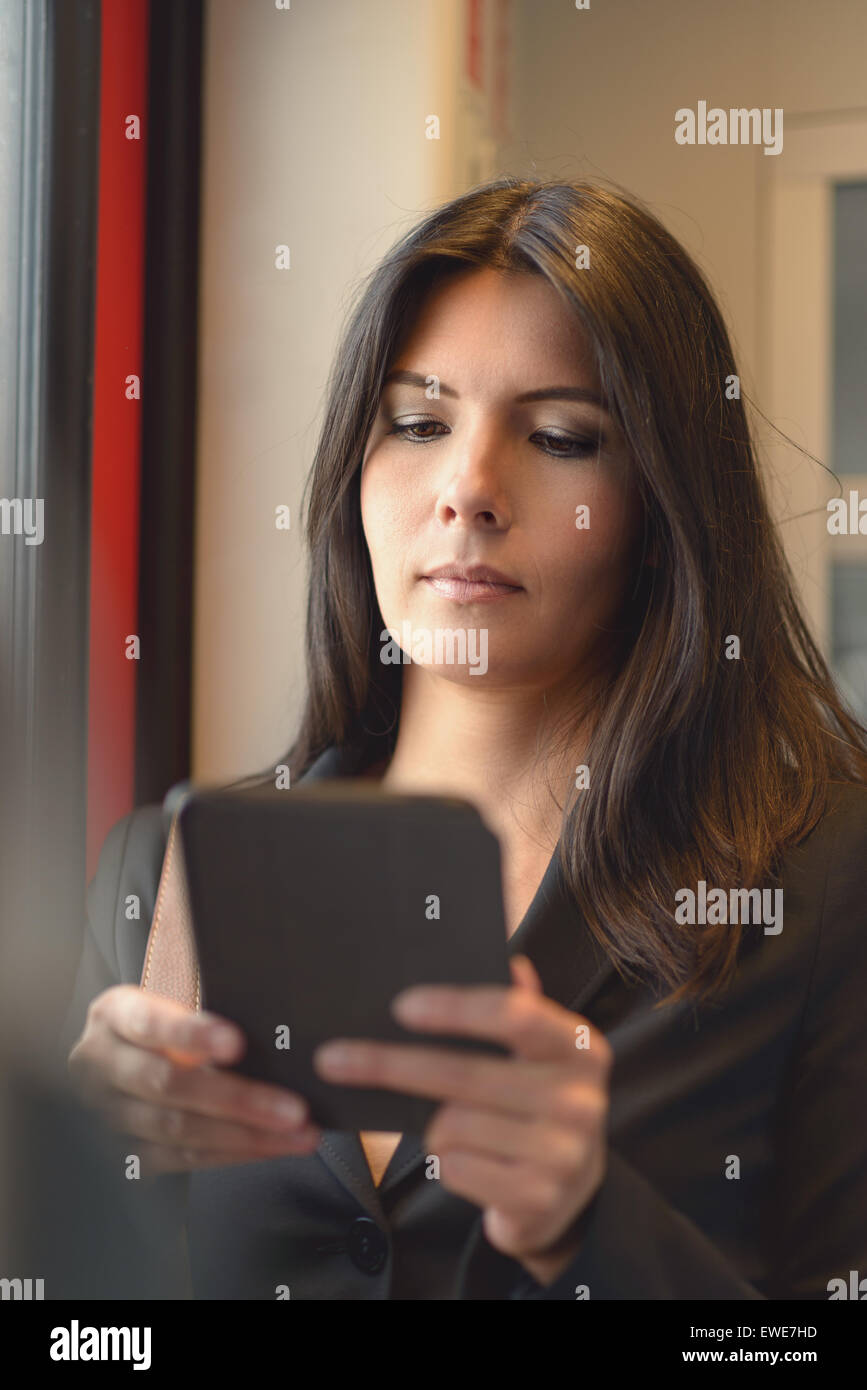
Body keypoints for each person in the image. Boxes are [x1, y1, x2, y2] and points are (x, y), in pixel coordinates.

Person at [60, 176, 867, 1300]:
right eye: (421, 423)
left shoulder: (822, 882)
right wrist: (74, 1185)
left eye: (559, 437)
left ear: (658, 510)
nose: (470, 489)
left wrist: (590, 1224)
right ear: (357, 467)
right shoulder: (164, 883)